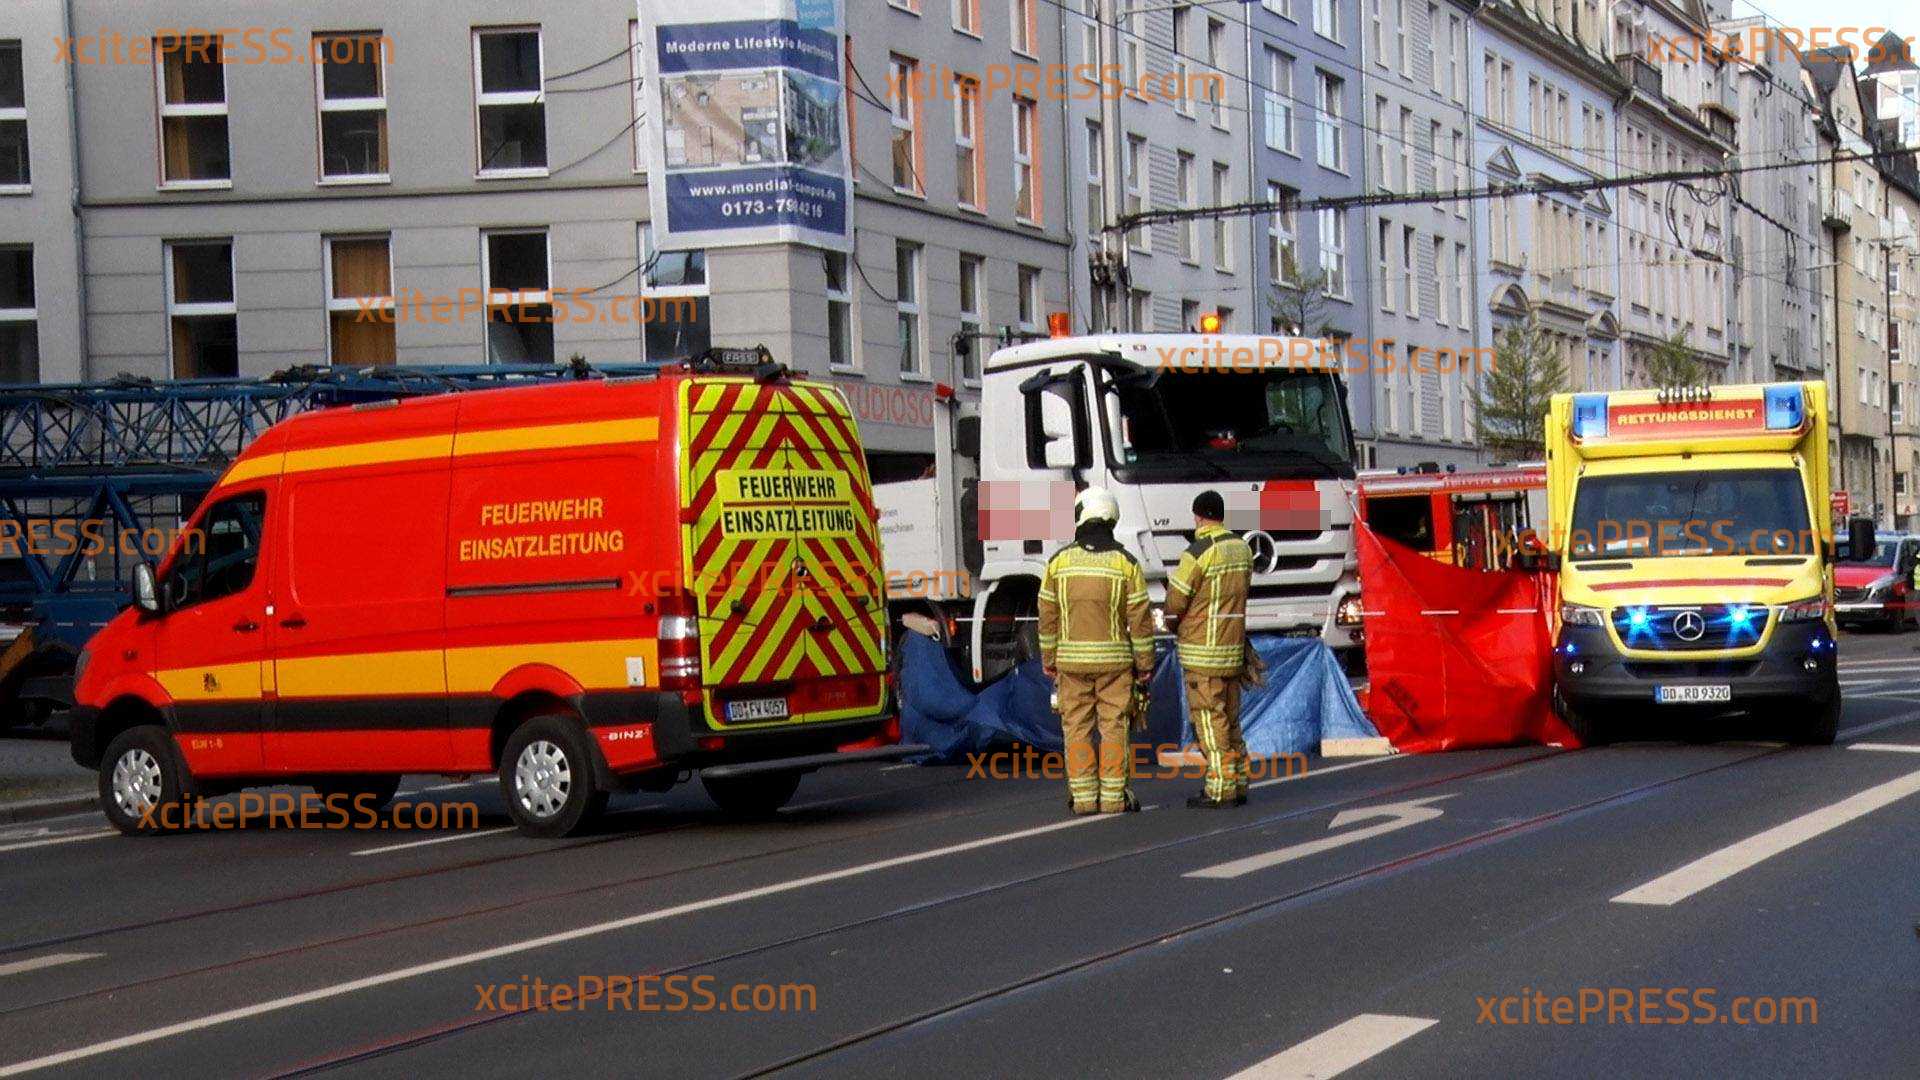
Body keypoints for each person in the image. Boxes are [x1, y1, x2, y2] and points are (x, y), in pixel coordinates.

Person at [1038, 487, 1155, 815]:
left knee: (1075, 726)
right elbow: (1141, 619)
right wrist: (1144, 665)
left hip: (1071, 663)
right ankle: (1115, 798)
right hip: (1115, 664)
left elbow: (1047, 617)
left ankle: (1085, 799)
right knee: (1114, 726)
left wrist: (1049, 660)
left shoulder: (1059, 563)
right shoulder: (1126, 564)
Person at [1164, 490, 1253, 809]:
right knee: (1231, 720)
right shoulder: (1241, 548)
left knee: (1209, 720)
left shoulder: (1198, 552)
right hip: (1233, 650)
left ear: (1198, 516)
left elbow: (1176, 602)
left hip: (1203, 653)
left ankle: (1220, 788)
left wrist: (1172, 624)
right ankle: (1240, 781)